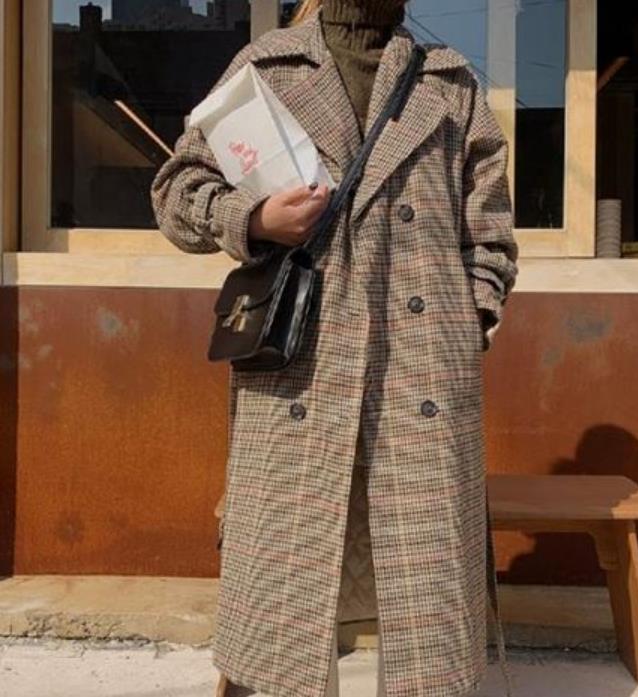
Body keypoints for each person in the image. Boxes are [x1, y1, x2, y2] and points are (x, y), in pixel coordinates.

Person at [150, 1, 519, 695]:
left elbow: (490, 233)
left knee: (425, 597)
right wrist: (255, 217)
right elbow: (175, 194)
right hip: (302, 364)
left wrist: (467, 322)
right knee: (288, 588)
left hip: (420, 370)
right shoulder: (269, 68)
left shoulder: (449, 81)